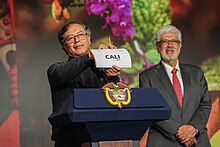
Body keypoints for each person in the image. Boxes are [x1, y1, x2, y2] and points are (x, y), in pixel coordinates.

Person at [47, 21, 121, 147]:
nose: (77, 40)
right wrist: (91, 55)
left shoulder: (101, 70)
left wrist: (112, 76)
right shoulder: (56, 69)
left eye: (81, 35)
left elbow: (112, 98)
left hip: (100, 135)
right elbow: (62, 75)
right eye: (70, 38)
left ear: (89, 39)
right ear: (64, 46)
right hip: (69, 138)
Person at [139, 25, 212, 147]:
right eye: (165, 42)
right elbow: (151, 110)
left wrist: (193, 128)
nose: (170, 45)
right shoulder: (147, 77)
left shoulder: (196, 73)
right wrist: (179, 132)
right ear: (158, 47)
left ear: (180, 46)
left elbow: (205, 104)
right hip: (164, 141)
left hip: (198, 140)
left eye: (174, 41)